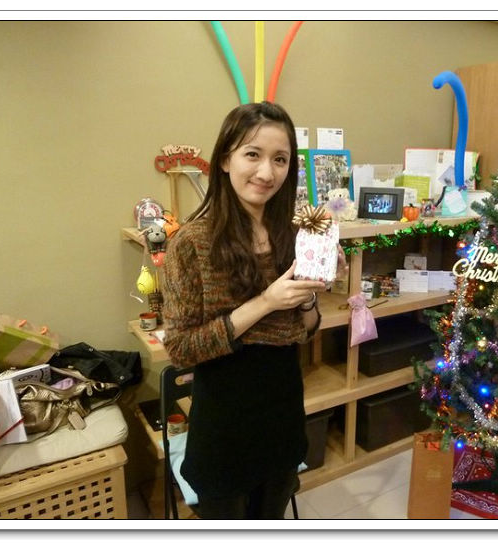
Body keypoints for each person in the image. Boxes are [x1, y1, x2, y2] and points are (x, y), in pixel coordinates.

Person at [162, 101, 337, 519]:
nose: (266, 172)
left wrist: (309, 294)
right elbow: (181, 349)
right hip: (224, 424)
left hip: (282, 412)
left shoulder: (292, 234)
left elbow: (307, 329)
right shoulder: (191, 243)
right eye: (253, 154)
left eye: (280, 159)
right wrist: (266, 303)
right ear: (226, 159)